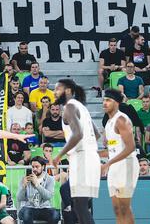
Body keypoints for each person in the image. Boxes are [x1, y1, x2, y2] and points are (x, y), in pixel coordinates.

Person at [52, 79, 101, 224]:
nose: (54, 92)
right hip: (90, 157)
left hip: (82, 158)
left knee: (80, 206)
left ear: (67, 91)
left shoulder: (69, 107)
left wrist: (60, 154)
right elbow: (97, 134)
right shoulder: (82, 107)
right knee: (81, 205)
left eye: (57, 89)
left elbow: (77, 134)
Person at [100, 88, 139, 224]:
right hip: (115, 166)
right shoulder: (108, 123)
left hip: (127, 165)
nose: (104, 103)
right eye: (104, 100)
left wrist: (108, 163)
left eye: (108, 100)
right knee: (116, 208)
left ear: (116, 103)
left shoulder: (121, 120)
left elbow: (130, 147)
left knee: (124, 207)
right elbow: (112, 150)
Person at [17, 156, 60, 224]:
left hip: (45, 208)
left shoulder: (50, 179)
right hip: (29, 207)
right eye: (33, 167)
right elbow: (19, 198)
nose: (34, 169)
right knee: (26, 214)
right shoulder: (25, 179)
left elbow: (48, 196)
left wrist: (37, 185)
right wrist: (23, 187)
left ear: (43, 167)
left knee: (55, 214)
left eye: (37, 167)